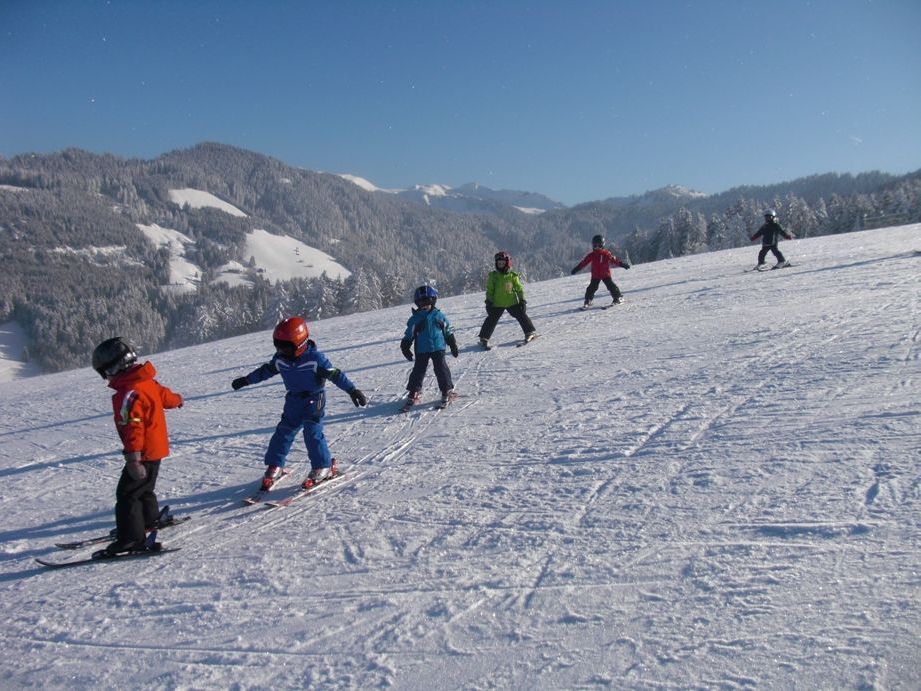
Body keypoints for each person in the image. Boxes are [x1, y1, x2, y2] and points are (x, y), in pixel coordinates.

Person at [230, 317, 367, 491]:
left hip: (314, 398)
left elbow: (335, 375)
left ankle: (322, 466)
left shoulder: (315, 359)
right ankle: (275, 465)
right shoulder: (280, 358)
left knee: (312, 431)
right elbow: (266, 371)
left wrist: (352, 390)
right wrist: (246, 380)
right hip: (293, 399)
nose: (281, 350)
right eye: (277, 345)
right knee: (283, 431)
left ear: (299, 343)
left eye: (285, 347)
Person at [91, 337, 183, 556]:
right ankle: (150, 519)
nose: (106, 378)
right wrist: (177, 399)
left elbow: (133, 427)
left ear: (113, 368)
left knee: (127, 494)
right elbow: (165, 397)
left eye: (105, 372)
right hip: (156, 449)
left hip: (142, 452)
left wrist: (133, 458)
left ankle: (131, 538)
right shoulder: (146, 381)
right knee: (143, 487)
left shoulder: (129, 393)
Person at [400, 285, 459, 408]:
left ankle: (446, 390)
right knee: (418, 371)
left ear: (433, 300)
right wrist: (405, 345)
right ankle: (414, 390)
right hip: (421, 349)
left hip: (438, 347)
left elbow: (448, 329)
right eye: (422, 302)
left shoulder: (439, 315)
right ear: (418, 303)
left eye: (428, 301)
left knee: (441, 369)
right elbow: (409, 333)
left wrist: (452, 343)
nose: (425, 304)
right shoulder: (415, 319)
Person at [477, 251, 538, 348]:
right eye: (499, 263)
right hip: (497, 303)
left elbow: (519, 289)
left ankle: (530, 332)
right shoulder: (493, 276)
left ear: (508, 263)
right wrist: (489, 302)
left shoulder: (512, 276)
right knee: (491, 319)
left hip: (512, 302)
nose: (500, 265)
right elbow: (490, 290)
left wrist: (522, 300)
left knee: (521, 315)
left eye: (502, 263)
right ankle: (484, 338)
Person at [570, 234, 631, 308]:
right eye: (594, 245)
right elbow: (584, 263)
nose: (596, 247)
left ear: (602, 245)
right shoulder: (592, 255)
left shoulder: (606, 253)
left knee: (611, 286)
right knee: (591, 288)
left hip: (605, 274)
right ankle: (588, 300)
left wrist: (622, 265)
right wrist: (576, 269)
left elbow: (614, 260)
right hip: (595, 275)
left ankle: (618, 297)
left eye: (598, 245)